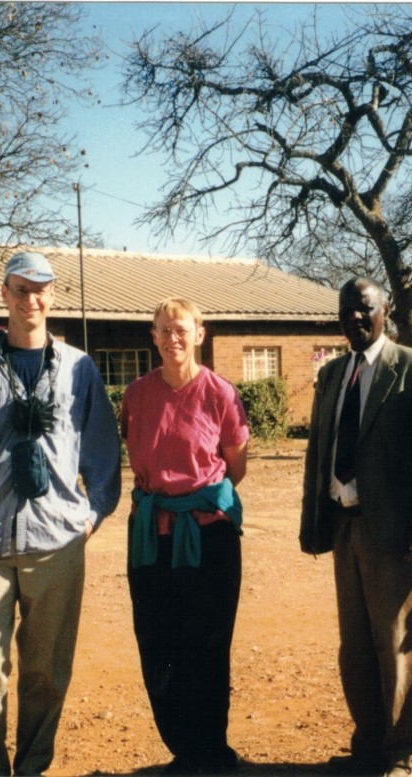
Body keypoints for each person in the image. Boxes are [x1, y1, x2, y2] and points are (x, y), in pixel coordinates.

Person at [0, 251, 121, 776]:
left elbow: (103, 449)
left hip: (56, 545)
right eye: (20, 290)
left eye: (40, 290)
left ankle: (33, 768)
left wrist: (92, 512)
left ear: (53, 296)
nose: (30, 300)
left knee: (46, 672)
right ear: (4, 295)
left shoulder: (79, 367)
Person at [299, 278, 412, 777]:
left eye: (364, 309)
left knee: (399, 641)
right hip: (343, 524)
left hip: (393, 530)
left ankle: (410, 749)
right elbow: (319, 450)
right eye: (346, 312)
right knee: (355, 643)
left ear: (385, 311)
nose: (355, 319)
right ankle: (371, 739)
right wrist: (313, 519)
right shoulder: (333, 373)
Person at [119, 297, 250, 775]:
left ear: (200, 333)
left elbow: (235, 466)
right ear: (152, 337)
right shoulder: (136, 394)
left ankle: (211, 748)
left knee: (208, 642)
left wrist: (195, 500)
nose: (173, 338)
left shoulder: (220, 393)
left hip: (208, 535)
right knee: (157, 641)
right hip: (151, 535)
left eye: (182, 329)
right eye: (163, 330)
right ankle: (183, 747)